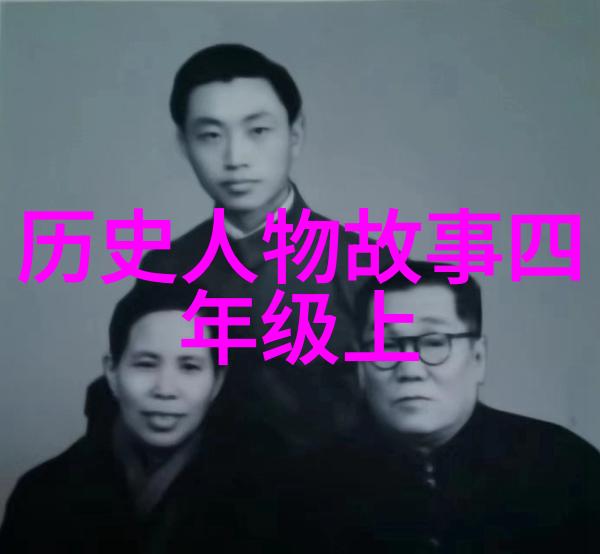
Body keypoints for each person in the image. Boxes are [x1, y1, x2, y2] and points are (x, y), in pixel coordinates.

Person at [86, 43, 388, 453]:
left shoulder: (366, 264)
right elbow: (130, 396)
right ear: (184, 144)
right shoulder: (168, 266)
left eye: (258, 131)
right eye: (211, 136)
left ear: (295, 135)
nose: (235, 157)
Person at [282, 261, 600, 553]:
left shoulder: (566, 468)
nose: (410, 369)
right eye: (386, 345)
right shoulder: (307, 491)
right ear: (361, 366)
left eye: (435, 342)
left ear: (478, 357)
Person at [0, 287, 274, 553]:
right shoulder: (42, 494)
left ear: (217, 381)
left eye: (189, 366)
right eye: (146, 364)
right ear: (112, 373)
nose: (165, 389)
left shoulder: (266, 499)